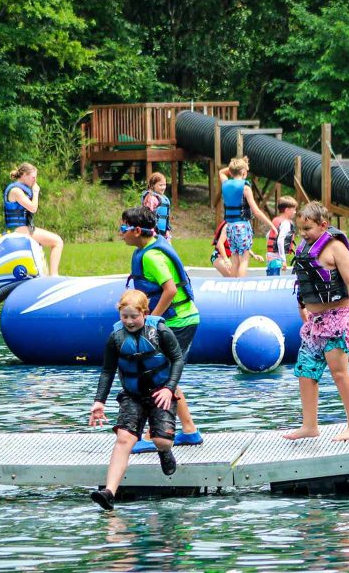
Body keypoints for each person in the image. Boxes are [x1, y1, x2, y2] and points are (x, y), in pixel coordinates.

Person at [88, 290, 184, 510]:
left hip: (161, 392)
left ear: (145, 312)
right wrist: (99, 401)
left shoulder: (160, 331)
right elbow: (107, 371)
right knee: (124, 439)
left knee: (161, 440)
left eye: (134, 316)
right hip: (132, 395)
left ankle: (164, 451)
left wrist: (169, 389)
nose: (129, 322)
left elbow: (178, 359)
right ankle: (109, 492)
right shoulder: (115, 337)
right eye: (124, 317)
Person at [283, 202, 349, 442]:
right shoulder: (305, 247)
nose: (303, 233)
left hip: (337, 318)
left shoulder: (336, 248)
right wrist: (302, 307)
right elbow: (304, 281)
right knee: (306, 371)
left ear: (323, 225)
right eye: (300, 229)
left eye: (307, 228)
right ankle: (310, 425)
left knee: (339, 372)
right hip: (315, 322)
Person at [120, 207, 203, 450]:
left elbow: (170, 289)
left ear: (136, 230)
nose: (120, 234)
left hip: (179, 321)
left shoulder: (151, 257)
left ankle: (152, 434)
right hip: (178, 320)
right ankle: (189, 430)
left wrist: (152, 322)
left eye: (123, 229)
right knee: (164, 376)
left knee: (157, 376)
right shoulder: (147, 249)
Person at [218, 157, 277, 277]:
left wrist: (238, 165)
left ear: (231, 171)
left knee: (235, 259)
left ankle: (234, 286)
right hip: (242, 226)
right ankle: (241, 287)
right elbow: (256, 211)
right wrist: (272, 225)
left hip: (230, 227)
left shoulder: (225, 182)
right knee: (244, 259)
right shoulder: (245, 188)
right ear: (244, 172)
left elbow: (221, 172)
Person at [3, 162, 64, 276]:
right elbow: (33, 208)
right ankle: (54, 276)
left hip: (22, 229)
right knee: (57, 242)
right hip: (19, 230)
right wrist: (36, 192)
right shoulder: (16, 191)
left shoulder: (20, 190)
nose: (34, 181)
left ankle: (42, 275)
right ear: (24, 175)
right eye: (33, 177)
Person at [266, 196, 297, 276]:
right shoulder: (286, 223)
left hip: (270, 257)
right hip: (277, 260)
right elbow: (280, 241)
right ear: (287, 210)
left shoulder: (275, 220)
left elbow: (267, 236)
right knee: (275, 282)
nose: (295, 212)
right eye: (294, 210)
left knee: (271, 280)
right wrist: (283, 260)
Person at [141, 171, 171, 240]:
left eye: (165, 185)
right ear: (152, 185)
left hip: (163, 234)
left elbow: (166, 220)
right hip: (153, 233)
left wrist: (167, 234)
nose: (163, 187)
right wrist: (151, 232)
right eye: (160, 185)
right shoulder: (151, 198)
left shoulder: (164, 199)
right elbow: (147, 216)